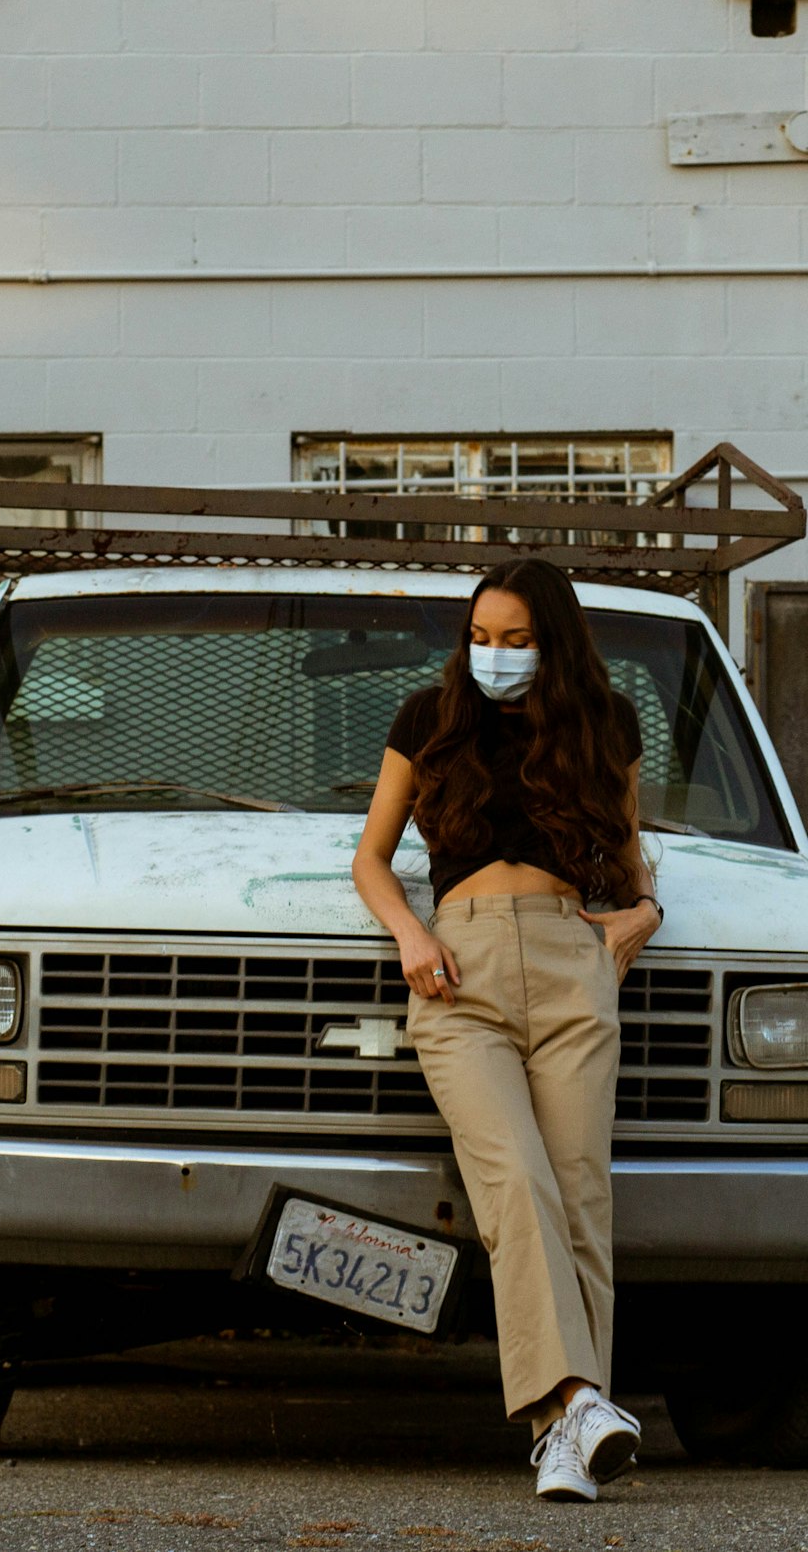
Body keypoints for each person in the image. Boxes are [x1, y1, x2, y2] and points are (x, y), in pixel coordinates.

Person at [352, 559, 662, 1504]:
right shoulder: (428, 719)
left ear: (554, 642)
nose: (493, 656)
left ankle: (565, 1441)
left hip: (575, 961)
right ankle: (579, 1397)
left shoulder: (606, 722)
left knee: (579, 1197)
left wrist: (644, 909)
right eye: (480, 638)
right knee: (516, 1181)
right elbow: (370, 858)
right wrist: (410, 929)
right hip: (460, 972)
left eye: (516, 640)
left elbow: (627, 847)